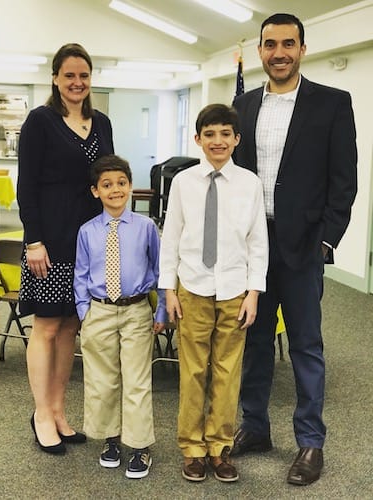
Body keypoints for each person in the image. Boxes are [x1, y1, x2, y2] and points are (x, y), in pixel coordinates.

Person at [230, 13, 358, 486]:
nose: (278, 52)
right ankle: (256, 427)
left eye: (288, 43)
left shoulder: (332, 104)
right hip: (251, 248)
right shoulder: (241, 106)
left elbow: (343, 182)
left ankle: (310, 442)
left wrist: (325, 240)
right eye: (269, 44)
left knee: (305, 345)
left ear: (303, 48)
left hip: (303, 248)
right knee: (255, 342)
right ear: (260, 50)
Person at [159, 104, 268, 483]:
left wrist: (254, 291)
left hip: (236, 290)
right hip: (192, 287)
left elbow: (258, 242)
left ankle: (219, 448)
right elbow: (170, 237)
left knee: (227, 372)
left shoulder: (250, 184)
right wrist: (168, 290)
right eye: (210, 134)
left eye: (225, 134)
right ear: (198, 140)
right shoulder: (183, 182)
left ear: (236, 140)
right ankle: (192, 447)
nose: (217, 141)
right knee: (192, 371)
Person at [17, 43, 114, 454]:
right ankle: (41, 412)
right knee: (47, 326)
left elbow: (109, 177)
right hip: (50, 241)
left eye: (84, 75)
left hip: (89, 242)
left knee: (72, 327)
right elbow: (27, 185)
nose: (77, 82)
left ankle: (58, 410)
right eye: (69, 75)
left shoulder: (102, 121)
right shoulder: (40, 121)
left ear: (91, 79)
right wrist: (33, 240)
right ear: (55, 77)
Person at [74, 154, 166, 479]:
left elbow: (160, 270)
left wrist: (162, 308)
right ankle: (110, 439)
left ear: (130, 187)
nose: (116, 190)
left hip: (136, 311)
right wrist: (85, 312)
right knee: (102, 380)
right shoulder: (87, 231)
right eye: (107, 185)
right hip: (98, 310)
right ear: (95, 191)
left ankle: (139, 445)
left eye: (122, 183)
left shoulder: (146, 227)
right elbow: (81, 274)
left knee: (137, 380)